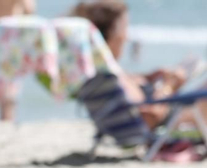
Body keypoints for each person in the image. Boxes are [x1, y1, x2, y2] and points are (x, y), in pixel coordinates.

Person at [70, 0, 207, 134]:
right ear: (114, 33)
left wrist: (147, 77)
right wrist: (171, 85)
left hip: (119, 127)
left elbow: (129, 95)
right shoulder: (112, 74)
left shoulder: (97, 71)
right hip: (169, 120)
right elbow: (150, 115)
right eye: (124, 27)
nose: (127, 36)